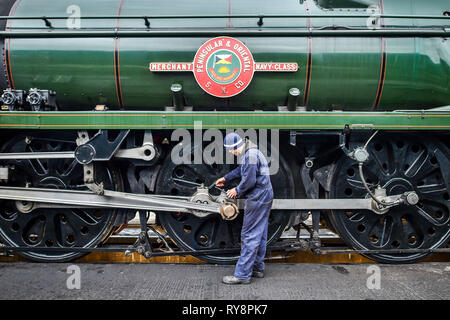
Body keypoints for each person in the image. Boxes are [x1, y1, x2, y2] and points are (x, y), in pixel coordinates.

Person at [216, 132, 274, 285]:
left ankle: (242, 275)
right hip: (265, 195)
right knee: (260, 233)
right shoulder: (252, 152)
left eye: (230, 149)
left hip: (257, 197)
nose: (230, 152)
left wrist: (236, 190)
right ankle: (257, 268)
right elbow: (241, 170)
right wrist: (226, 178)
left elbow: (249, 181)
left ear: (236, 146)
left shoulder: (250, 155)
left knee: (249, 235)